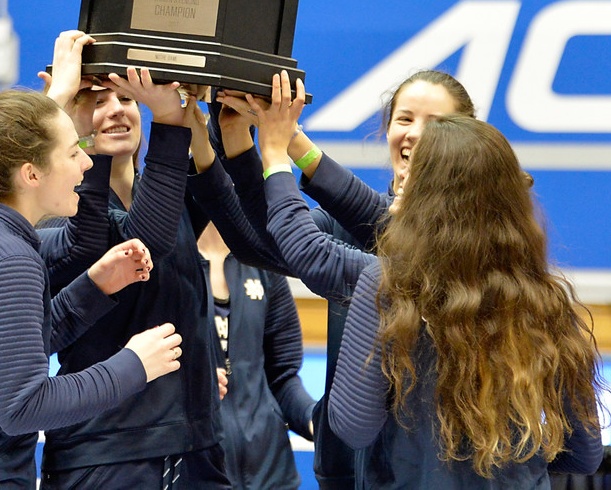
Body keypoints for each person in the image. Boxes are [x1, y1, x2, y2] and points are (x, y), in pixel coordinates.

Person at [249, 71, 604, 487]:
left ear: (430, 194)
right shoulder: (547, 302)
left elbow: (353, 427)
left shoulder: (385, 285)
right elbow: (583, 455)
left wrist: (274, 154)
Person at [0, 88, 183, 488]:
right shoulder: (9, 259)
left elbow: (3, 353)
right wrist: (133, 365)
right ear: (31, 173)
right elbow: (24, 405)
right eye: (73, 152)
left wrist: (94, 288)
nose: (86, 163)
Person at [213, 69, 477, 490]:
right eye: (404, 119)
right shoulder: (369, 226)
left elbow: (314, 247)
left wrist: (279, 148)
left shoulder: (473, 247)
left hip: (428, 472)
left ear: (466, 142)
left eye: (435, 124)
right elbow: (261, 240)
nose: (415, 135)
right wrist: (243, 136)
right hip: (346, 468)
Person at [42, 68, 273, 489]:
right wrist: (170, 122)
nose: (114, 111)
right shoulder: (60, 214)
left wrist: (208, 107)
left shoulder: (167, 193)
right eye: (96, 100)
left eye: (126, 98)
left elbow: (233, 207)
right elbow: (144, 239)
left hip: (197, 444)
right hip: (107, 452)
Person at [196, 222, 316, 490]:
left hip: (272, 474)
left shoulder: (260, 261)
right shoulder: (162, 262)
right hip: (198, 472)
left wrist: (313, 420)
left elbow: (282, 377)